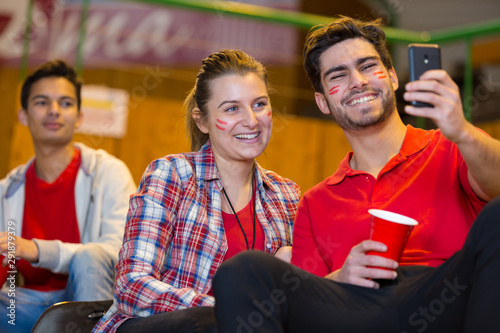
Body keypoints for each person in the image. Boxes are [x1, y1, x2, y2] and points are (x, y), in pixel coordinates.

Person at [212, 17, 500, 332]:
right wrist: (342, 277)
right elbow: (305, 300)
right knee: (243, 270)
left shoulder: (452, 149)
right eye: (339, 75)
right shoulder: (314, 203)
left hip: (444, 297)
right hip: (356, 309)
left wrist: (462, 132)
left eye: (367, 67)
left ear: (392, 77)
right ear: (323, 102)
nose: (357, 81)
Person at [92, 49, 300, 333]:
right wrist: (225, 308)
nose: (252, 120)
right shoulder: (172, 174)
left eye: (259, 104)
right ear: (202, 121)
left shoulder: (286, 195)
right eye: (232, 108)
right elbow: (131, 286)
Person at [0, 59, 136, 332]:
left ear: (79, 116)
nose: (54, 111)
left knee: (91, 257)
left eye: (65, 103)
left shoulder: (108, 173)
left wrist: (37, 250)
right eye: (41, 102)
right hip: (24, 307)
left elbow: (122, 253)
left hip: (92, 305)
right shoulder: (6, 191)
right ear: (23, 115)